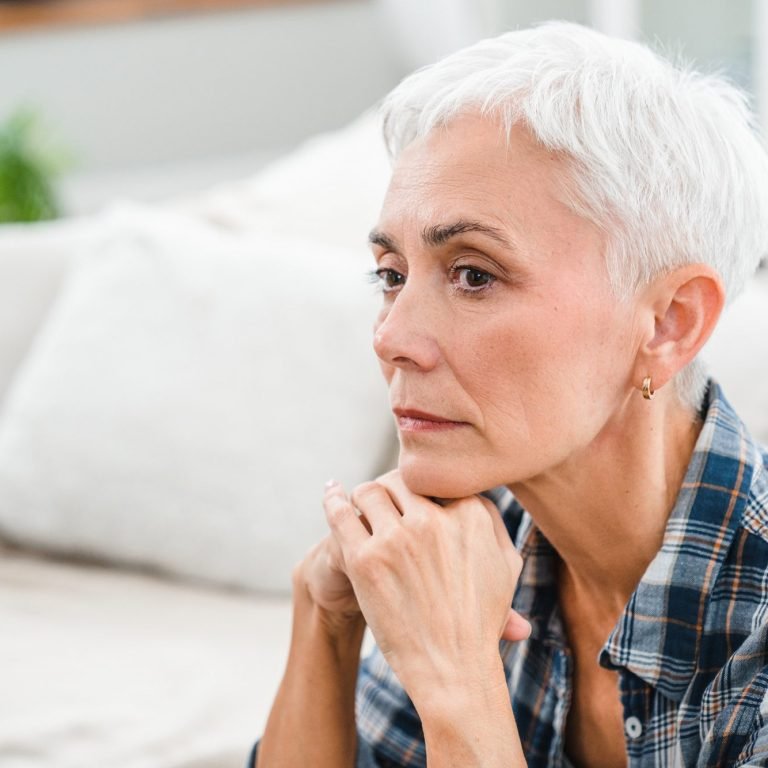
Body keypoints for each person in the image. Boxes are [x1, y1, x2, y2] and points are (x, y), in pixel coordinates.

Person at [253, 21, 768, 768]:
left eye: (473, 275)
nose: (391, 336)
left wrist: (459, 683)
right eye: (391, 275)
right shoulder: (470, 549)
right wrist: (326, 620)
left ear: (667, 323)